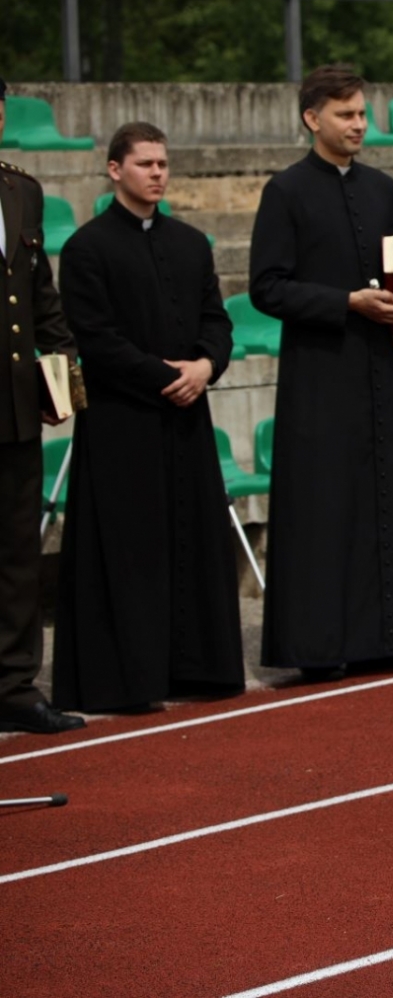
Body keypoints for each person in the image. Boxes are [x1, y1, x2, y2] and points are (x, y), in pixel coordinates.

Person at [52, 122, 245, 712]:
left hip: (187, 418)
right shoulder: (86, 248)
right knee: (131, 551)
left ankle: (195, 668)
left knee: (190, 542)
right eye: (145, 164)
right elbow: (97, 340)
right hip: (122, 424)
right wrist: (169, 378)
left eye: (163, 163)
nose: (158, 173)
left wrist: (206, 367)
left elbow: (217, 320)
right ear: (115, 170)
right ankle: (127, 679)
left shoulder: (191, 242)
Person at [248, 64, 393, 682]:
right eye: (346, 115)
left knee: (388, 500)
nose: (358, 125)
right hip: (320, 374)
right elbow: (266, 287)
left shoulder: (380, 187)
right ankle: (319, 647)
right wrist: (345, 302)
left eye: (362, 113)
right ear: (312, 118)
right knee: (326, 507)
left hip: (380, 368)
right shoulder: (286, 191)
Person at [0, 78, 86, 734]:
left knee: (17, 553)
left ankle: (15, 684)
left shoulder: (21, 191)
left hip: (15, 406)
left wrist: (65, 387)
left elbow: (42, 302)